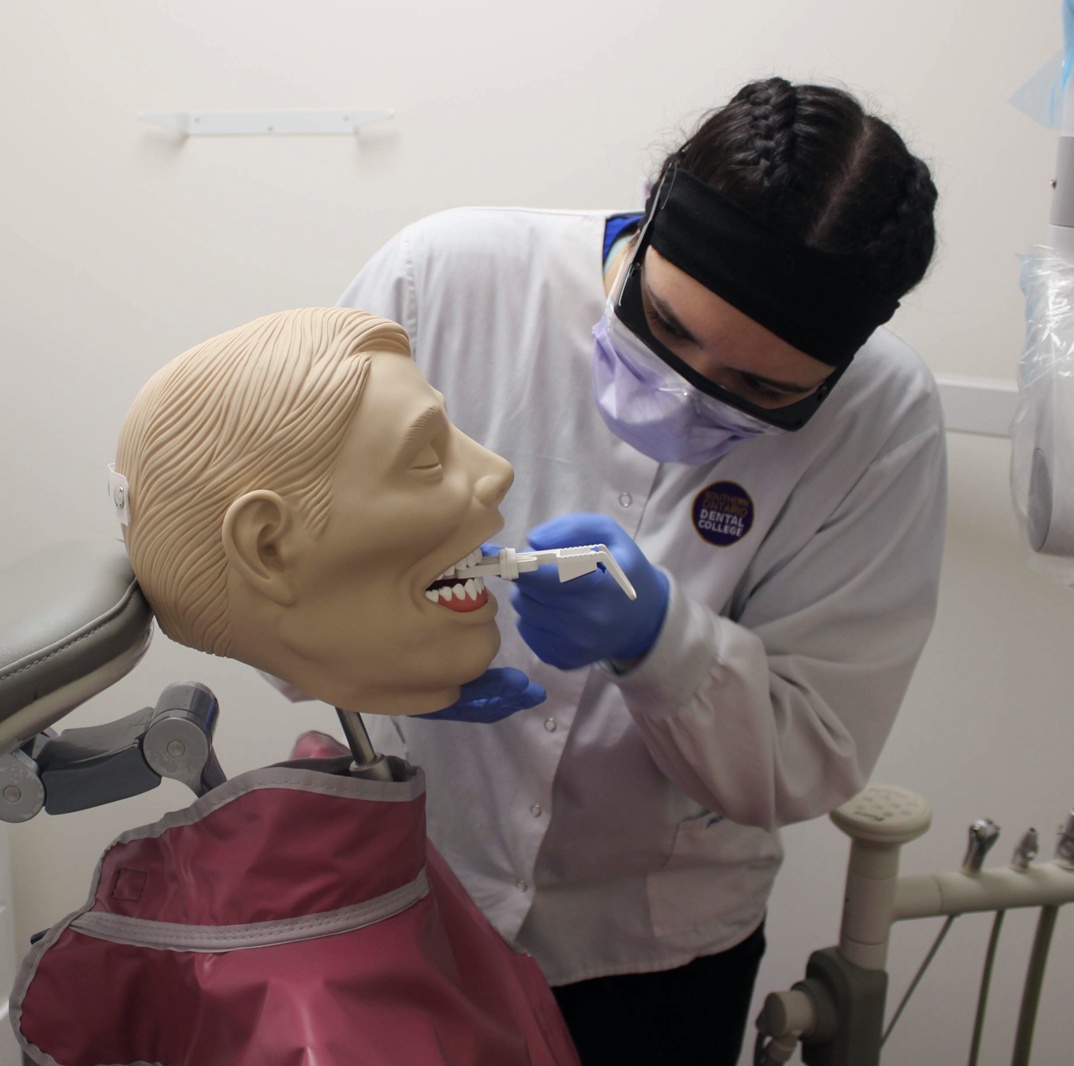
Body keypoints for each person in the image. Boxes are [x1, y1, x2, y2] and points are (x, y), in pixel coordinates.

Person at [336, 77, 946, 1065]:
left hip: (660, 950)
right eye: (664, 324)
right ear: (653, 211)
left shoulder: (880, 420)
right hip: (414, 893)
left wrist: (664, 645)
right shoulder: (441, 281)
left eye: (760, 389)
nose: (679, 393)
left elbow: (813, 751)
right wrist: (379, 657)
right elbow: (285, 553)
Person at [14, 307, 580, 1066]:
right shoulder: (318, 1030)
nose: (496, 470)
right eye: (426, 456)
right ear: (268, 546)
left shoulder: (353, 854)